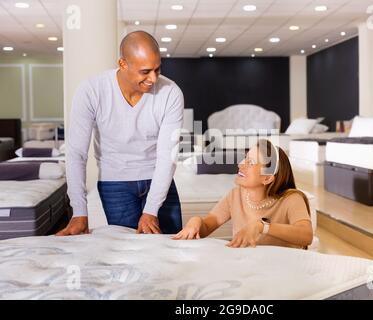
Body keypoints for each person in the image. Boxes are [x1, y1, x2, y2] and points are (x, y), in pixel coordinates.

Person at [57, 31, 184, 236]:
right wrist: (79, 212)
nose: (153, 78)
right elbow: (76, 153)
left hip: (158, 178)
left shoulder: (170, 93)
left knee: (172, 246)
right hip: (114, 183)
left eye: (157, 69)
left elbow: (167, 156)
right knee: (127, 253)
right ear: (123, 64)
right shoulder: (91, 90)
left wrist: (151, 209)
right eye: (145, 71)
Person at [173, 139, 313, 249]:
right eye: (245, 158)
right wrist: (196, 221)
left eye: (250, 162)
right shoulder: (235, 196)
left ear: (267, 178)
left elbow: (306, 235)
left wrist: (261, 227)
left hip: (284, 272)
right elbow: (207, 226)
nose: (240, 164)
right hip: (250, 270)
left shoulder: (292, 198)